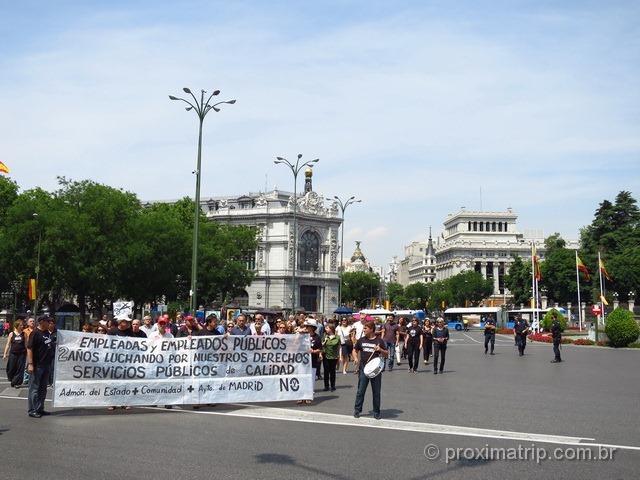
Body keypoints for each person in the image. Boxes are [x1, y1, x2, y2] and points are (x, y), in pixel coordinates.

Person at [353, 321, 388, 420]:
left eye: (365, 328)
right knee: (360, 391)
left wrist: (380, 350)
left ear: (371, 329)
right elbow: (355, 350)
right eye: (364, 328)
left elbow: (387, 354)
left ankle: (376, 412)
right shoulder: (361, 340)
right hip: (364, 368)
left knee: (376, 392)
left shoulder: (379, 341)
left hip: (375, 369)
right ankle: (357, 410)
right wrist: (355, 358)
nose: (364, 330)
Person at [26, 316, 55, 418]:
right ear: (42, 322)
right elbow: (29, 348)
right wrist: (30, 364)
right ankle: (32, 410)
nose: (50, 323)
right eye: (48, 321)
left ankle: (40, 408)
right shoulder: (35, 333)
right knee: (34, 388)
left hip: (46, 365)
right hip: (37, 365)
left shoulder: (47, 333)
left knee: (43, 389)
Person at [3, 320, 27, 388]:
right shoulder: (11, 334)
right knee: (11, 368)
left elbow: (26, 344)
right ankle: (12, 379)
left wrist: (28, 353)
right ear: (17, 326)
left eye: (22, 325)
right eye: (21, 325)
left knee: (20, 368)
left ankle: (17, 382)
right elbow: (8, 345)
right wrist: (5, 354)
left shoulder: (24, 334)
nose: (22, 326)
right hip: (13, 354)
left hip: (22, 354)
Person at [322, 324, 340, 392]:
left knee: (332, 372)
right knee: (326, 372)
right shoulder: (325, 336)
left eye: (327, 328)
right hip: (326, 356)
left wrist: (339, 356)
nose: (325, 329)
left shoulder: (337, 337)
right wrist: (325, 341)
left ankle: (333, 386)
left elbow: (337, 346)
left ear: (331, 329)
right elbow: (322, 345)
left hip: (334, 357)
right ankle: (326, 386)